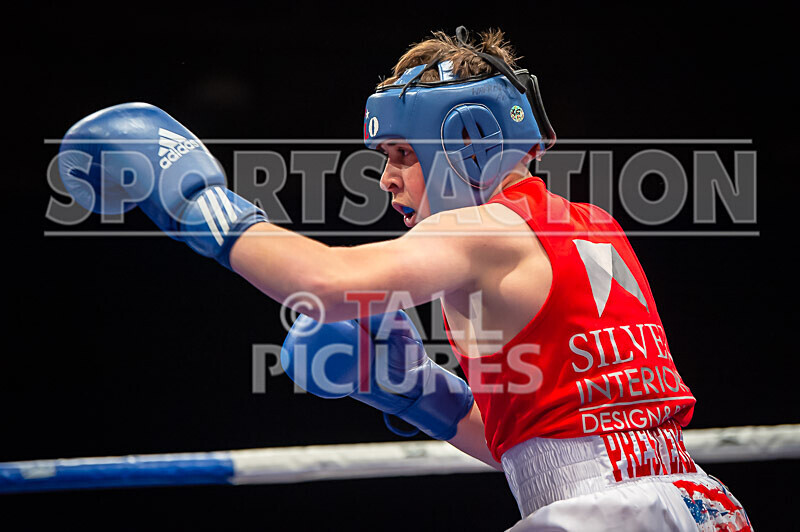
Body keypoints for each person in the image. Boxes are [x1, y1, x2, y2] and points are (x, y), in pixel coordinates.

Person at [57, 26, 751, 531]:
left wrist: (196, 202)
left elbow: (326, 281)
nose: (386, 177)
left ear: (466, 139)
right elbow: (546, 443)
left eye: (400, 153)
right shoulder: (590, 224)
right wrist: (415, 390)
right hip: (691, 504)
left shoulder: (483, 231)